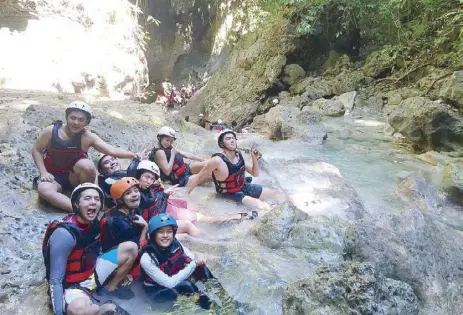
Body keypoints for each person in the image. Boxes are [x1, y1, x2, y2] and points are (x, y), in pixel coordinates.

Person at [32, 101, 142, 212]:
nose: (76, 122)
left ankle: (85, 194)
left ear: (86, 122)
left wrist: (133, 155)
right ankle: (79, 209)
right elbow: (37, 150)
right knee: (43, 189)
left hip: (75, 177)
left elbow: (111, 150)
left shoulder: (87, 137)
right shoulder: (51, 131)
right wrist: (43, 172)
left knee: (87, 164)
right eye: (72, 118)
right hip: (53, 177)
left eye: (81, 120)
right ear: (67, 117)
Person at [42, 183, 129, 315]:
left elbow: (97, 251)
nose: (93, 202)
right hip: (72, 285)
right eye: (87, 198)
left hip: (92, 273)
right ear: (77, 204)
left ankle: (108, 290)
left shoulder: (94, 224)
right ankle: (104, 308)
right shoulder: (64, 234)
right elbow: (55, 281)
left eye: (97, 199)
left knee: (130, 248)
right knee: (82, 310)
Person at [135, 161, 248, 238]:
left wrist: (162, 190)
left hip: (165, 206)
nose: (149, 181)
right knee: (203, 219)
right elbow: (152, 210)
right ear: (139, 175)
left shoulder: (148, 188)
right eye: (146, 177)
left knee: (196, 207)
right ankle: (229, 220)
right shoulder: (135, 194)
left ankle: (225, 220)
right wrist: (164, 195)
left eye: (151, 178)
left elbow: (156, 197)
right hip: (159, 216)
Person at [187, 130, 290, 210]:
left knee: (277, 194)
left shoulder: (239, 155)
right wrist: (187, 198)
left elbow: (255, 173)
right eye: (228, 139)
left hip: (243, 187)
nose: (232, 140)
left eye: (233, 138)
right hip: (229, 194)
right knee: (261, 205)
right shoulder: (216, 161)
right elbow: (198, 177)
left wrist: (254, 158)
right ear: (222, 144)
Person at [139, 214, 214, 310]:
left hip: (174, 276)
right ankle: (211, 308)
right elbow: (169, 283)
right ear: (153, 235)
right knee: (187, 285)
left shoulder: (175, 243)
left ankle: (224, 297)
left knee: (204, 270)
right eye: (161, 232)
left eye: (169, 232)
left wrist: (200, 260)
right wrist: (194, 263)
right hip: (157, 289)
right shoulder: (147, 258)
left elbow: (190, 257)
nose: (165, 236)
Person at [98, 177, 148, 297]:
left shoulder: (122, 211)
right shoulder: (121, 223)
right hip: (109, 261)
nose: (135, 195)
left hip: (109, 253)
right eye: (128, 193)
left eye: (136, 190)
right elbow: (138, 249)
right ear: (120, 200)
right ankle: (111, 287)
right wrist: (145, 227)